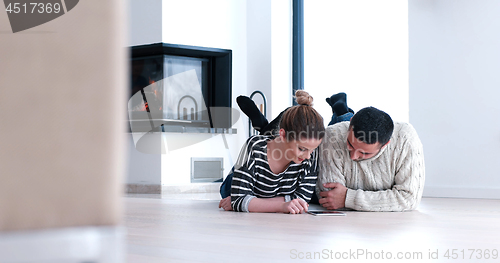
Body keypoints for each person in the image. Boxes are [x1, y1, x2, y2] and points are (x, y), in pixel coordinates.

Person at [218, 90, 325, 214]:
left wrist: (251, 202)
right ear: (283, 135)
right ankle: (265, 128)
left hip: (261, 189)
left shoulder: (310, 157)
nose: (307, 156)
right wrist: (282, 205)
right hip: (236, 183)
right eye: (302, 149)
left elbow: (301, 200)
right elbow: (239, 199)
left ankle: (264, 127)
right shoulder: (254, 147)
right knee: (230, 193)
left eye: (312, 150)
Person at [315, 106, 425, 212]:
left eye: (364, 153)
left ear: (385, 145)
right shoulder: (332, 135)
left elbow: (409, 199)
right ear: (350, 123)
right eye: (350, 145)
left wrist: (348, 198)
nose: (353, 156)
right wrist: (385, 202)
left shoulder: (406, 139)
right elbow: (329, 197)